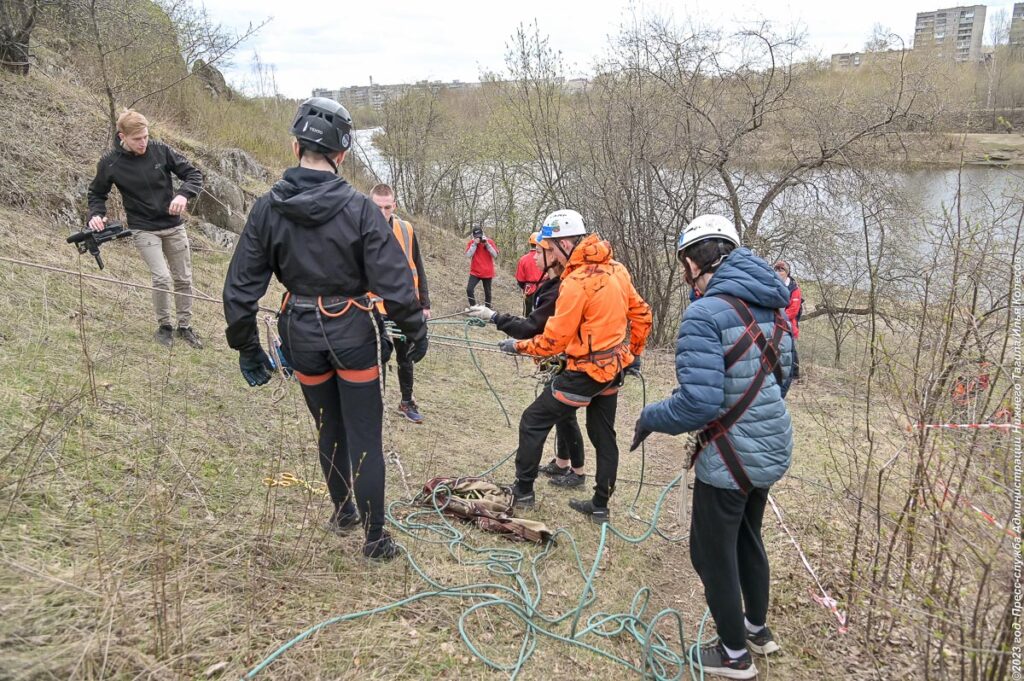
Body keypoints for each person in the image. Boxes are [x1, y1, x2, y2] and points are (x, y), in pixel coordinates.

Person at [222, 97, 428, 561]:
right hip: (352, 329)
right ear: (341, 154)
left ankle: (343, 512)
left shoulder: (267, 208)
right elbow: (396, 284)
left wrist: (246, 346)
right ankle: (375, 539)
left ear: (296, 147)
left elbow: (239, 289)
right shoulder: (359, 209)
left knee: (327, 425)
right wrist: (415, 331)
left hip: (301, 331)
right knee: (363, 434)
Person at [633, 214, 793, 679]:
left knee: (710, 552)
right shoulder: (772, 307)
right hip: (769, 446)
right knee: (748, 536)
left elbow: (698, 403)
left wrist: (650, 418)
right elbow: (784, 377)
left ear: (691, 261)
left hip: (731, 458)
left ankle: (733, 655)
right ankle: (757, 630)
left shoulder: (704, 314)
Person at [498, 209, 652, 523]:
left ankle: (523, 491)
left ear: (566, 243)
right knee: (602, 433)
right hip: (612, 367)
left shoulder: (576, 282)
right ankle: (599, 506)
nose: (547, 254)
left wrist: (518, 346)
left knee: (533, 420)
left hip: (584, 373)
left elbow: (552, 342)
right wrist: (632, 353)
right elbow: (643, 315)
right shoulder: (616, 269)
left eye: (549, 248)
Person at [465, 225, 587, 489]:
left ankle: (544, 483)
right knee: (565, 416)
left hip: (569, 362)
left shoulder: (563, 287)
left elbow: (532, 327)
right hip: (564, 360)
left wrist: (495, 318)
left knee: (539, 419)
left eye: (540, 250)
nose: (533, 256)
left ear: (556, 252)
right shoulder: (558, 282)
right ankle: (565, 464)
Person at [87, 109, 204, 348]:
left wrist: (183, 195)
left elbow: (193, 175)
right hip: (143, 228)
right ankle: (165, 327)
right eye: (137, 139)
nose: (143, 143)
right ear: (123, 137)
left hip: (173, 225)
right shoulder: (110, 162)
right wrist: (96, 215)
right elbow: (97, 194)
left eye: (146, 137)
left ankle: (185, 327)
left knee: (183, 278)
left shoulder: (161, 150)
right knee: (161, 277)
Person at [369, 183, 431, 424]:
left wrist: (424, 303)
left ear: (394, 205)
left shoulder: (406, 229)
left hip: (405, 306)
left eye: (387, 207)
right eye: (377, 207)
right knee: (380, 354)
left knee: (406, 355)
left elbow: (418, 265)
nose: (383, 212)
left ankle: (406, 401)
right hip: (375, 307)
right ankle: (376, 404)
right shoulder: (360, 229)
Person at [774, 260, 802, 380]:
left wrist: (780, 317)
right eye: (777, 269)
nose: (779, 272)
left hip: (788, 324)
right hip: (773, 322)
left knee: (790, 349)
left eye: (781, 270)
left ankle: (795, 374)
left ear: (787, 272)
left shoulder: (794, 289)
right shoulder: (771, 284)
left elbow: (794, 309)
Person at [465, 227, 498, 308]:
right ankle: (473, 307)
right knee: (469, 289)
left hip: (487, 272)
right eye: (477, 236)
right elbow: (468, 255)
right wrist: (475, 244)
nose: (478, 238)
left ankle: (488, 309)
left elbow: (495, 255)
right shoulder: (471, 243)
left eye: (480, 236)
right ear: (473, 236)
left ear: (483, 234)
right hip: (475, 272)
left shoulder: (489, 241)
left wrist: (487, 244)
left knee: (488, 293)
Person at [515, 232, 544, 316]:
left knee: (527, 315)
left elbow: (520, 279)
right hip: (544, 289)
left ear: (530, 243)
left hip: (529, 290)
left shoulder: (523, 259)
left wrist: (524, 287)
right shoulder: (546, 257)